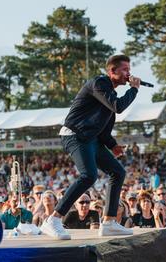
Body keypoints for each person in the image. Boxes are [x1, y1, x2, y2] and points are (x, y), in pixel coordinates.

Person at [40, 54, 140, 240]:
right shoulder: (99, 83)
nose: (129, 73)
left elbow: (102, 131)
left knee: (118, 172)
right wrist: (134, 90)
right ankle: (53, 220)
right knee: (89, 176)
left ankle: (109, 222)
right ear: (112, 71)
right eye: (125, 69)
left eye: (129, 69)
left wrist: (113, 146)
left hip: (91, 138)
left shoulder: (110, 94)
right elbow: (118, 106)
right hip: (75, 135)